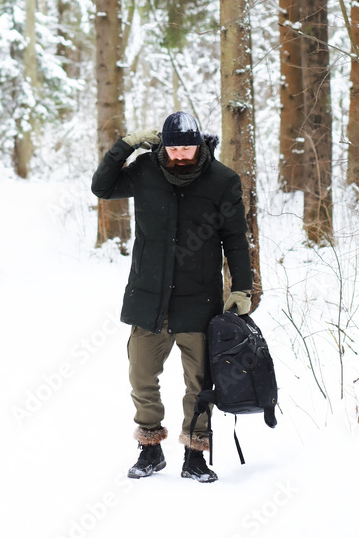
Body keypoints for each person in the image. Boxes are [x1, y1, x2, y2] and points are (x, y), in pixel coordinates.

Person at [91, 111, 253, 483]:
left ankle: (195, 456)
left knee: (200, 384)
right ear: (162, 145)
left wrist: (242, 288)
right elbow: (102, 187)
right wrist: (125, 146)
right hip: (148, 299)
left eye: (188, 148)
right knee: (142, 377)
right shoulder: (145, 170)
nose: (181, 155)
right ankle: (150, 449)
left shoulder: (222, 180)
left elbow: (236, 240)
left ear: (200, 144)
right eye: (174, 148)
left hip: (199, 303)